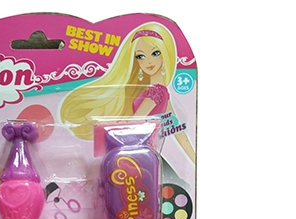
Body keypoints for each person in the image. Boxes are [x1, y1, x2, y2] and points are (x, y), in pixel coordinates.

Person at [60, 22, 195, 163]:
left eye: (155, 53)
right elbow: (176, 129)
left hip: (134, 151)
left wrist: (112, 129)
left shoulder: (157, 92)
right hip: (140, 151)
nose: (148, 61)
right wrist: (193, 158)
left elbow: (135, 122)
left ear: (165, 54)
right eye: (141, 56)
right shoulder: (162, 92)